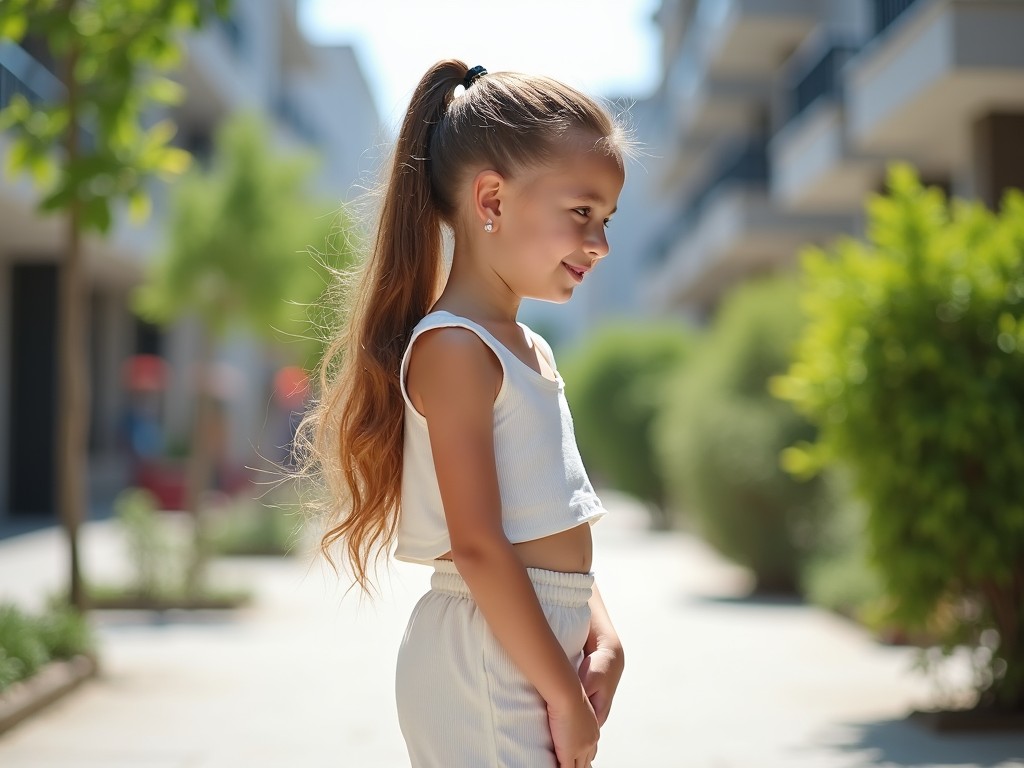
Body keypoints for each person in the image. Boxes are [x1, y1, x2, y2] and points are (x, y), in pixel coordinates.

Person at [297, 59, 630, 768]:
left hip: (529, 641)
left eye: (606, 219)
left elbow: (546, 516)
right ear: (491, 199)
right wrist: (565, 700)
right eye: (581, 212)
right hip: (486, 657)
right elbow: (477, 546)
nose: (600, 243)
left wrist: (600, 631)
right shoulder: (456, 348)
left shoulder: (528, 347)